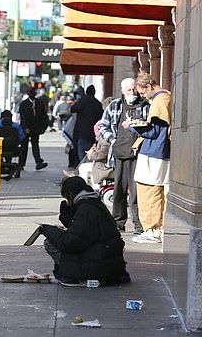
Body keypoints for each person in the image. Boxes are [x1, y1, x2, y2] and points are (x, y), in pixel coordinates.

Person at [40, 176, 130, 286]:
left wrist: (48, 230)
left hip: (99, 264)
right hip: (108, 260)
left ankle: (78, 277)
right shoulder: (94, 203)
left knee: (50, 243)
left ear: (70, 194)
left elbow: (70, 243)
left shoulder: (86, 210)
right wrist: (67, 214)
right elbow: (81, 233)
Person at [124, 73, 171, 244]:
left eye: (143, 93)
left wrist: (133, 127)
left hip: (154, 153)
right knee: (153, 191)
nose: (142, 96)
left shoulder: (160, 100)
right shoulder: (166, 97)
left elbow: (154, 131)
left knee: (148, 191)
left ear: (150, 86)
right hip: (158, 152)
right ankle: (155, 229)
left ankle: (153, 230)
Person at [98, 77, 149, 235]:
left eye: (134, 89)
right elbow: (103, 125)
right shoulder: (115, 105)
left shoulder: (145, 105)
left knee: (135, 191)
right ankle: (118, 222)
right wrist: (112, 140)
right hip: (119, 153)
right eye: (129, 90)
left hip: (137, 154)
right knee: (119, 189)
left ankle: (139, 223)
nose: (132, 92)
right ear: (122, 91)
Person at [70, 85, 103, 165]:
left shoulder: (82, 101)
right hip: (94, 134)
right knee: (91, 152)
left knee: (81, 153)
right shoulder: (97, 103)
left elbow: (72, 109)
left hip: (82, 132)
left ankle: (82, 168)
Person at [18, 87, 49, 170]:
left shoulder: (39, 103)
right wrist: (25, 128)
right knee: (24, 146)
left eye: (33, 92)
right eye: (30, 92)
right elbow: (22, 118)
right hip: (26, 129)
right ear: (28, 94)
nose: (32, 94)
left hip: (36, 128)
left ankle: (38, 162)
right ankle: (21, 164)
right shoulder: (23, 104)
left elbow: (43, 116)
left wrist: (44, 127)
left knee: (35, 145)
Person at [0, 110, 25, 180]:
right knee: (10, 150)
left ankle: (1, 165)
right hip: (13, 149)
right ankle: (10, 165)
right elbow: (22, 137)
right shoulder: (16, 126)